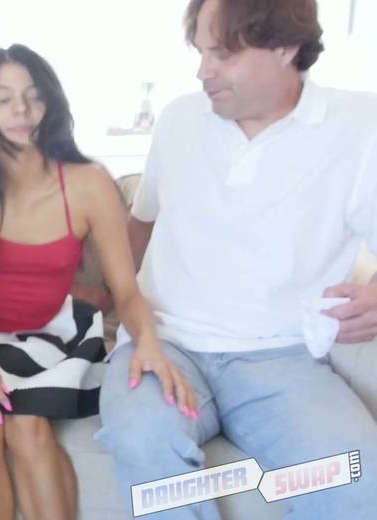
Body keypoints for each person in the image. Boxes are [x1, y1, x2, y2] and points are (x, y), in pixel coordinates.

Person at [95, 1, 377, 518]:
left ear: (286, 47)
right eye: (201, 52)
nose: (203, 71)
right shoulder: (179, 120)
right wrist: (106, 311)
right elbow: (140, 226)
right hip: (164, 345)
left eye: (222, 54)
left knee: (359, 477)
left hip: (284, 358)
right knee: (142, 439)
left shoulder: (360, 126)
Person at [0, 44, 194, 520]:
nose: (21, 110)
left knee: (28, 424)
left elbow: (127, 292)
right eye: (3, 98)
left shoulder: (89, 184)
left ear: (51, 103)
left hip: (45, 331)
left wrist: (148, 342)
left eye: (33, 96)